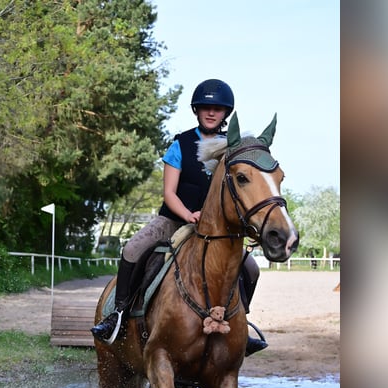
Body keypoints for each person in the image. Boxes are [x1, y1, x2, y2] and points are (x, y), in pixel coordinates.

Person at [91, 79, 268, 356]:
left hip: (217, 230)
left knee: (252, 269)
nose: (211, 113)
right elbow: (170, 193)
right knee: (132, 249)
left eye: (218, 109)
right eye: (206, 108)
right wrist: (189, 215)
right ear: (196, 110)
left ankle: (239, 324)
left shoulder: (233, 149)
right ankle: (119, 314)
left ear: (225, 114)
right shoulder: (180, 145)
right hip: (174, 220)